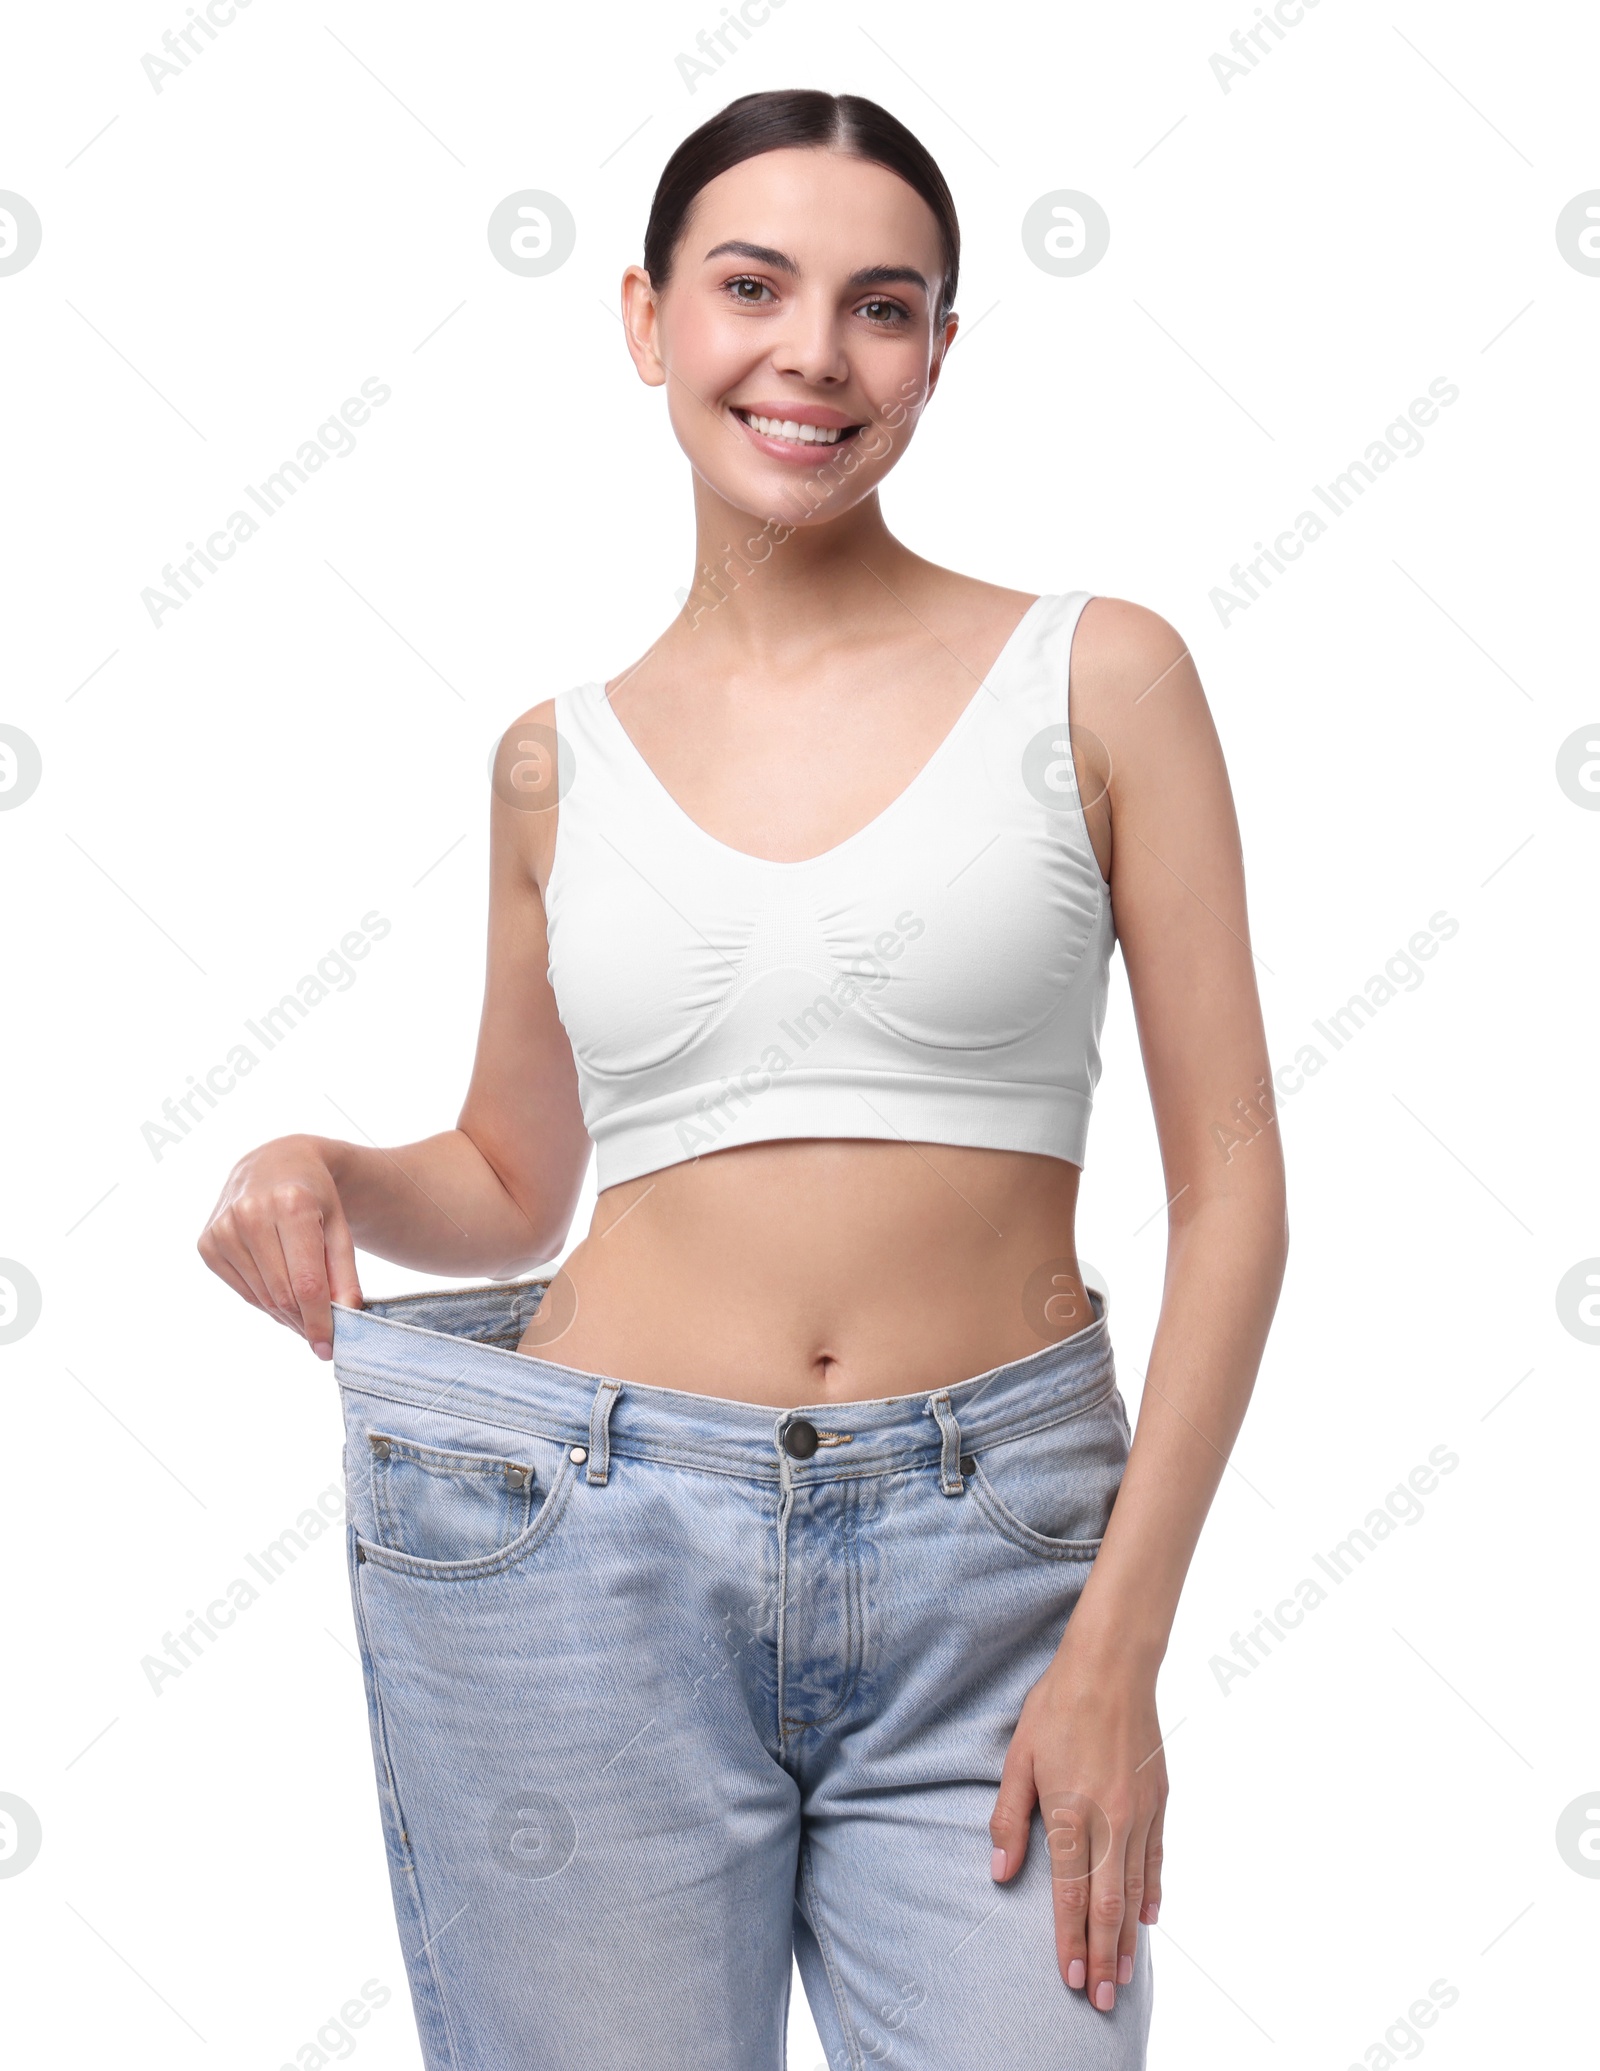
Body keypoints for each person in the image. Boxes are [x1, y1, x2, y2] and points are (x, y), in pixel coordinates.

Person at [199, 87, 1288, 2071]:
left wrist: (1115, 1646)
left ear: (939, 353)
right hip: (582, 1547)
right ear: (643, 318)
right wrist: (326, 1165)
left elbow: (1230, 1187)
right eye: (750, 286)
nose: (811, 352)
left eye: (881, 307)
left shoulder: (1096, 674)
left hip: (997, 1560)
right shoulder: (552, 758)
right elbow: (514, 1176)